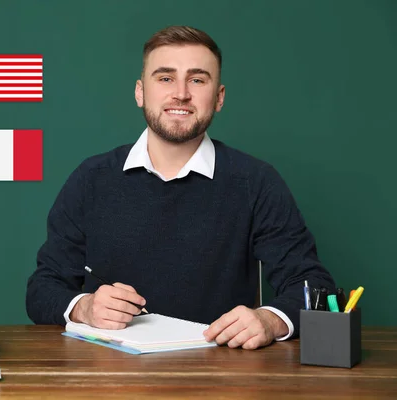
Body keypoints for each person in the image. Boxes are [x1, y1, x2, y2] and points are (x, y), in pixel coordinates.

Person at [25, 25, 335, 350]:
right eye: (165, 78)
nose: (181, 93)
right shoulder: (90, 179)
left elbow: (315, 286)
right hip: (109, 378)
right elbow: (42, 289)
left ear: (219, 98)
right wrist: (83, 307)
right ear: (140, 92)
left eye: (197, 80)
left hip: (220, 375)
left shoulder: (256, 182)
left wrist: (270, 320)